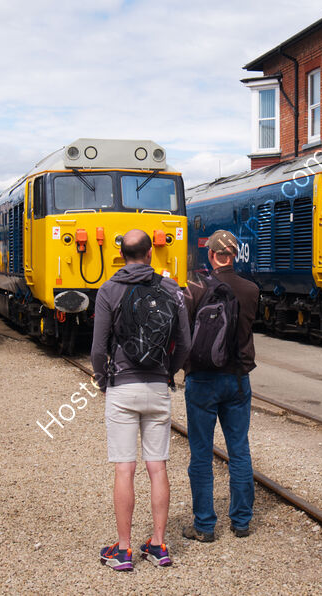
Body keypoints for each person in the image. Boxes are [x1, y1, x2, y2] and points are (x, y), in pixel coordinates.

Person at [91, 229, 191, 571]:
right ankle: (159, 545)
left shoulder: (109, 289)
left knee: (125, 467)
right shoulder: (171, 289)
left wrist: (105, 380)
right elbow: (186, 343)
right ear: (150, 254)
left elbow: (98, 348)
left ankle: (123, 550)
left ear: (121, 254)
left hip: (122, 387)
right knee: (157, 466)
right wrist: (168, 373)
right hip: (157, 388)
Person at [181, 230, 260, 542]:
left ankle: (204, 526)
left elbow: (184, 331)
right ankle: (241, 522)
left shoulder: (194, 288)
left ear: (211, 255)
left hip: (201, 379)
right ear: (235, 254)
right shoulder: (252, 290)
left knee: (201, 453)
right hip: (238, 379)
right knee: (239, 450)